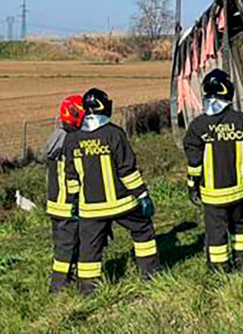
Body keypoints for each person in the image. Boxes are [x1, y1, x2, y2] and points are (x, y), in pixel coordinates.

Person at [65, 88, 160, 294]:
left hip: (90, 209)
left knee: (89, 249)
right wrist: (143, 195)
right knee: (143, 231)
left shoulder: (72, 140)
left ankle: (88, 290)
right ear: (104, 107)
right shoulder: (114, 134)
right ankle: (150, 275)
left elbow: (71, 176)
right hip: (122, 204)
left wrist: (73, 202)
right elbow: (127, 170)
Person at [184, 69, 243, 272]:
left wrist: (193, 187)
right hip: (239, 190)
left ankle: (219, 269)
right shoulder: (242, 121)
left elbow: (194, 164)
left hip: (212, 196)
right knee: (242, 227)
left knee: (216, 232)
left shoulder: (198, 126)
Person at [47, 94, 84, 293]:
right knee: (65, 248)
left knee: (66, 245)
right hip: (67, 204)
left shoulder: (56, 138)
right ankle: (58, 287)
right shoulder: (71, 141)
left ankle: (66, 280)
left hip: (56, 203)